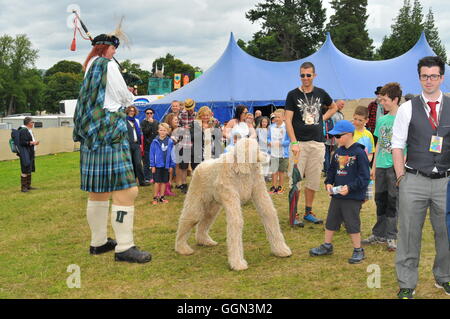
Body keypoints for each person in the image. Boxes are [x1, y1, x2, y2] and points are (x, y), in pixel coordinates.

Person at [73, 31, 151, 263]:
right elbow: (124, 98)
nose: (115, 52)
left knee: (98, 191)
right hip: (110, 134)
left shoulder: (89, 66)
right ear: (106, 48)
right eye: (114, 48)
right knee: (127, 190)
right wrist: (131, 95)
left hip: (92, 137)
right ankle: (124, 247)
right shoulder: (108, 65)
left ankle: (98, 242)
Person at [392, 56, 450, 299]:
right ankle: (407, 282)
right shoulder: (407, 108)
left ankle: (445, 277)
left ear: (442, 78)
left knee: (446, 233)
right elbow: (397, 145)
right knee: (408, 233)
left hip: (445, 182)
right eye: (425, 76)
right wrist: (401, 177)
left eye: (434, 75)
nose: (429, 80)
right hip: (413, 179)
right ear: (419, 78)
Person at [285, 61, 338, 227]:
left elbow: (334, 107)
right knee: (295, 180)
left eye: (308, 75)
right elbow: (287, 120)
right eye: (302, 75)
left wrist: (322, 118)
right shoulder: (292, 94)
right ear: (299, 76)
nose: (305, 78)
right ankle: (293, 214)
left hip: (317, 143)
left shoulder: (321, 93)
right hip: (299, 143)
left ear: (314, 75)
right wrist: (293, 142)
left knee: (314, 180)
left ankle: (308, 212)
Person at [309, 120, 370, 264]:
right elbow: (331, 171)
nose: (335, 139)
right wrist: (328, 183)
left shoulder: (359, 152)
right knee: (331, 220)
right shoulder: (337, 152)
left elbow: (364, 177)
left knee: (352, 223)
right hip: (337, 195)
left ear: (349, 135)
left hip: (352, 196)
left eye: (338, 136)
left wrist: (350, 188)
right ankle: (327, 245)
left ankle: (358, 249)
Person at [362, 82, 402, 251]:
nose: (382, 103)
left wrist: (401, 169)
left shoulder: (403, 119)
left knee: (393, 201)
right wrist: (374, 166)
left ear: (395, 99)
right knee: (380, 199)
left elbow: (406, 145)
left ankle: (391, 236)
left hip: (395, 167)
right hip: (380, 166)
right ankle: (379, 234)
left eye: (385, 100)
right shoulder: (382, 119)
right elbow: (378, 144)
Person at [150, 123, 175, 205]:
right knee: (157, 182)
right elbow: (152, 154)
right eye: (161, 130)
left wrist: (171, 165)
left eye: (164, 130)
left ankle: (161, 197)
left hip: (166, 165)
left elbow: (172, 154)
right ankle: (155, 197)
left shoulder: (170, 142)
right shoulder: (155, 141)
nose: (162, 132)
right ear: (158, 131)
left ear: (167, 132)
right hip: (157, 165)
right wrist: (152, 165)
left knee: (164, 182)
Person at [190, 106, 222, 171]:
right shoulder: (195, 123)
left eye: (207, 115)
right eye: (203, 115)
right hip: (198, 152)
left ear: (210, 115)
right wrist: (203, 130)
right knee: (198, 171)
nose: (205, 117)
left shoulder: (214, 123)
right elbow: (192, 137)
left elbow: (218, 137)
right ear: (200, 115)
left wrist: (213, 131)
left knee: (211, 171)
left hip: (212, 151)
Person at [176, 98, 197, 193]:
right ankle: (184, 184)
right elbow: (176, 128)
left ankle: (194, 184)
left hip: (195, 143)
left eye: (191, 108)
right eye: (188, 108)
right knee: (183, 166)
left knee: (195, 165)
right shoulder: (181, 115)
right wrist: (184, 128)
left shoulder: (197, 115)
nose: (190, 110)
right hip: (184, 143)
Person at [268, 109, 290, 195]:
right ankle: (273, 187)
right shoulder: (271, 127)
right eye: (275, 117)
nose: (276, 119)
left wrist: (280, 144)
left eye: (278, 117)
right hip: (273, 152)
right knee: (274, 171)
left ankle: (280, 186)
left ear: (284, 117)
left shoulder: (287, 127)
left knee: (281, 171)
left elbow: (289, 141)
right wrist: (269, 142)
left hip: (283, 153)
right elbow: (268, 137)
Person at [125, 105, 148, 186]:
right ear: (127, 111)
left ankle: (142, 181)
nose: (132, 112)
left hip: (136, 144)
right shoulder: (124, 121)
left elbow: (139, 133)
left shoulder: (136, 121)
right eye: (130, 111)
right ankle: (132, 181)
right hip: (128, 145)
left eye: (133, 111)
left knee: (138, 163)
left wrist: (140, 144)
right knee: (130, 164)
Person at [17, 117, 39, 192]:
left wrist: (33, 143)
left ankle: (28, 185)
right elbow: (22, 142)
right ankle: (23, 187)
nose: (33, 123)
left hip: (29, 152)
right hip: (25, 153)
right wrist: (32, 143)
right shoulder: (23, 130)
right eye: (32, 122)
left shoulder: (28, 130)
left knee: (29, 169)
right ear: (29, 123)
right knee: (25, 169)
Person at [140, 107, 159, 183]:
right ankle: (147, 178)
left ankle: (154, 177)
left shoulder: (156, 122)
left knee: (155, 161)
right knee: (147, 162)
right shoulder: (143, 123)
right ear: (145, 114)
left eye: (151, 113)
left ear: (153, 114)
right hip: (147, 145)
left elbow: (157, 133)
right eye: (147, 113)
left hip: (155, 144)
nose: (149, 114)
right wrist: (150, 124)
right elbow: (145, 132)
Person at [256, 116, 271, 180]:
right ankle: (260, 175)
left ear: (267, 123)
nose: (264, 123)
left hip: (267, 148)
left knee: (267, 161)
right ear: (261, 122)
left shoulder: (268, 130)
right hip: (260, 147)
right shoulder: (258, 130)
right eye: (263, 122)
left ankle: (266, 175)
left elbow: (270, 138)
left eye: (266, 122)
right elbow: (256, 138)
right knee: (260, 162)